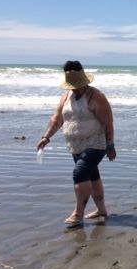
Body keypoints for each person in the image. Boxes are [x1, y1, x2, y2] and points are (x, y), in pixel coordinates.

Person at [36, 61, 116, 228]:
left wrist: (110, 146)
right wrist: (46, 137)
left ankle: (78, 214)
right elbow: (57, 119)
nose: (74, 88)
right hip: (75, 145)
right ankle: (101, 210)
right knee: (92, 176)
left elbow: (108, 122)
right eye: (72, 85)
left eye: (77, 84)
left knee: (79, 174)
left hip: (96, 143)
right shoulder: (66, 96)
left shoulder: (96, 96)